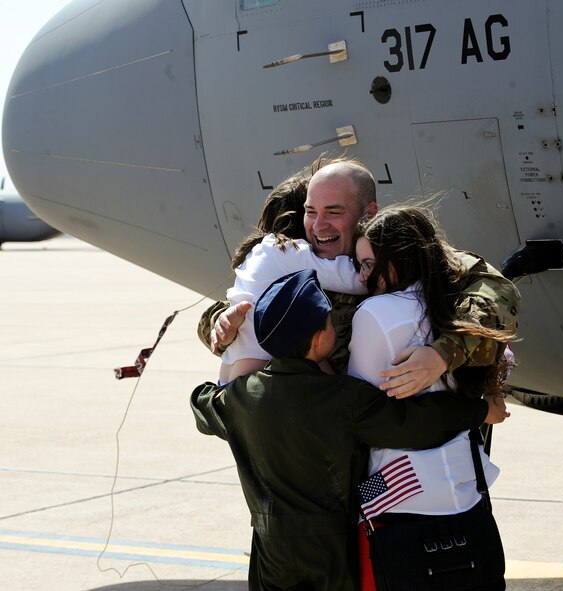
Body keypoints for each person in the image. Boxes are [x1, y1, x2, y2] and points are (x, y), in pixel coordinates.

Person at [190, 269, 510, 591]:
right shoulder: (345, 398)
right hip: (330, 549)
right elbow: (414, 424)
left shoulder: (240, 398)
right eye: (330, 322)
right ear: (318, 340)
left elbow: (201, 402)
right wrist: (480, 410)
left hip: (270, 548)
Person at [199, 155, 520, 387]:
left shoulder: (405, 255)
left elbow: (498, 295)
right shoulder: (296, 253)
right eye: (311, 212)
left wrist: (442, 355)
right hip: (320, 434)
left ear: (368, 213)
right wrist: (221, 324)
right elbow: (225, 311)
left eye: (334, 212)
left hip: (404, 439)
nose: (318, 225)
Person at [348, 205, 513, 591]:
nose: (363, 277)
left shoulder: (376, 313)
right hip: (464, 490)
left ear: (400, 257)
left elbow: (363, 416)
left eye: (371, 264)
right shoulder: (462, 306)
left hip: (399, 497)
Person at [216, 167, 366, 384]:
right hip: (259, 372)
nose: (317, 225)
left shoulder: (260, 251)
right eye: (311, 212)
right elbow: (356, 280)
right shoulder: (289, 252)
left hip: (232, 370)